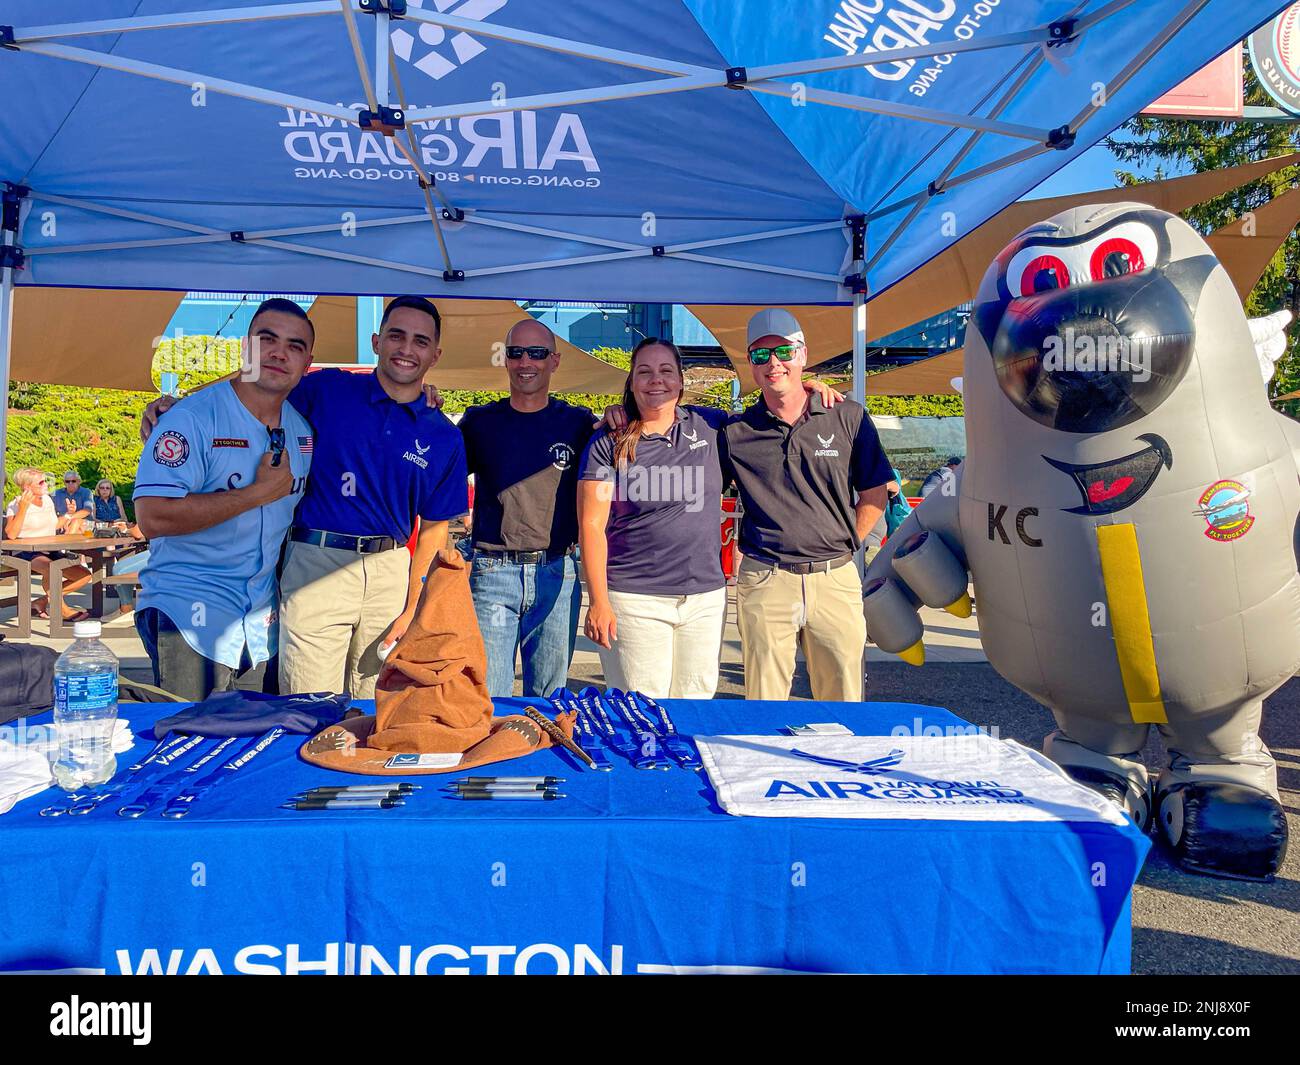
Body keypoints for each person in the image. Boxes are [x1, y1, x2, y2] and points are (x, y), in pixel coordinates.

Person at [143, 296, 467, 699]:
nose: (406, 348)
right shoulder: (329, 390)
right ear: (375, 341)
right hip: (316, 561)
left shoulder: (445, 435)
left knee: (378, 705)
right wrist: (180, 404)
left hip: (390, 571)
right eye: (396, 335)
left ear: (435, 355)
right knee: (308, 705)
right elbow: (257, 381)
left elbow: (435, 529)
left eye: (420, 341)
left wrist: (415, 605)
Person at [132, 298, 314, 701]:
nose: (279, 353)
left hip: (259, 627)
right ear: (245, 348)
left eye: (294, 346)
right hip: (190, 614)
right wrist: (255, 494)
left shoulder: (302, 430)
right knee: (186, 747)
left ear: (307, 362)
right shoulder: (191, 418)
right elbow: (153, 517)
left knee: (245, 752)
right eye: (267, 339)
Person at [720, 308, 892, 701]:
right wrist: (622, 412)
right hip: (766, 578)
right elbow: (675, 422)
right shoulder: (735, 432)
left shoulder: (847, 417)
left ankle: (841, 766)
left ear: (802, 355)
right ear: (750, 363)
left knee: (844, 700)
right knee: (764, 703)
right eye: (761, 356)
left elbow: (874, 493)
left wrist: (847, 543)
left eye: (783, 351)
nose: (773, 363)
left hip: (834, 578)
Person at [578, 339, 730, 699]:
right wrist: (598, 602)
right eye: (644, 372)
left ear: (680, 380)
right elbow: (591, 526)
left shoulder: (711, 426)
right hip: (634, 599)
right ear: (631, 382)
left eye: (666, 371)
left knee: (695, 708)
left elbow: (772, 415)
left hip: (704, 600)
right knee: (642, 710)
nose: (655, 380)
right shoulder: (608, 441)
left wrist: (809, 386)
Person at [457, 318, 595, 698]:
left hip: (557, 571)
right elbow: (438, 476)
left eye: (536, 353)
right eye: (516, 353)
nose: (525, 362)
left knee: (550, 702)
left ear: (555, 360)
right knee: (489, 699)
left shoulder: (579, 423)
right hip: (493, 573)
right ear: (505, 359)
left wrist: (619, 415)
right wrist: (426, 407)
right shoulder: (480, 423)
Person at [4, 467, 92, 621]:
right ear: (27, 486)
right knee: (52, 570)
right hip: (25, 552)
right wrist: (23, 509)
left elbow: (53, 526)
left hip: (49, 549)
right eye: (41, 482)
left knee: (83, 576)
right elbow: (11, 534)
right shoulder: (16, 504)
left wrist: (68, 514)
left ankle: (42, 601)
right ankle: (63, 611)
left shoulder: (47, 501)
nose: (45, 484)